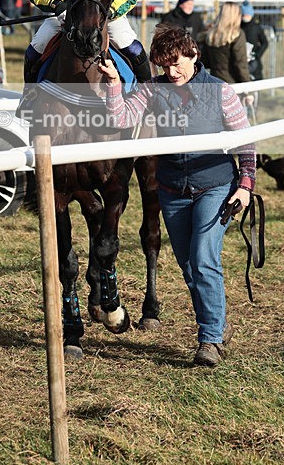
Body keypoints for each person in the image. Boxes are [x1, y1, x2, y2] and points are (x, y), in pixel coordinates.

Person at [97, 25, 256, 367]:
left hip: (215, 186)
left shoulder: (221, 92)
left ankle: (209, 339)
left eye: (177, 63)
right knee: (189, 267)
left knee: (203, 259)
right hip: (172, 190)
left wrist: (245, 186)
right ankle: (217, 321)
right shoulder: (152, 89)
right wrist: (113, 86)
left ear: (193, 55)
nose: (171, 72)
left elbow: (245, 140)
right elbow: (121, 117)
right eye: (164, 66)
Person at [201, 2, 251, 85]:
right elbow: (240, 63)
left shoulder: (211, 34)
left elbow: (205, 61)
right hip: (232, 83)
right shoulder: (237, 35)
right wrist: (247, 84)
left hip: (214, 81)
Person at [241, 1, 268, 80]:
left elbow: (265, 43)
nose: (245, 16)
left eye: (247, 14)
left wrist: (257, 55)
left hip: (254, 61)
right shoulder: (239, 27)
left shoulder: (256, 27)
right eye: (244, 15)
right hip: (241, 61)